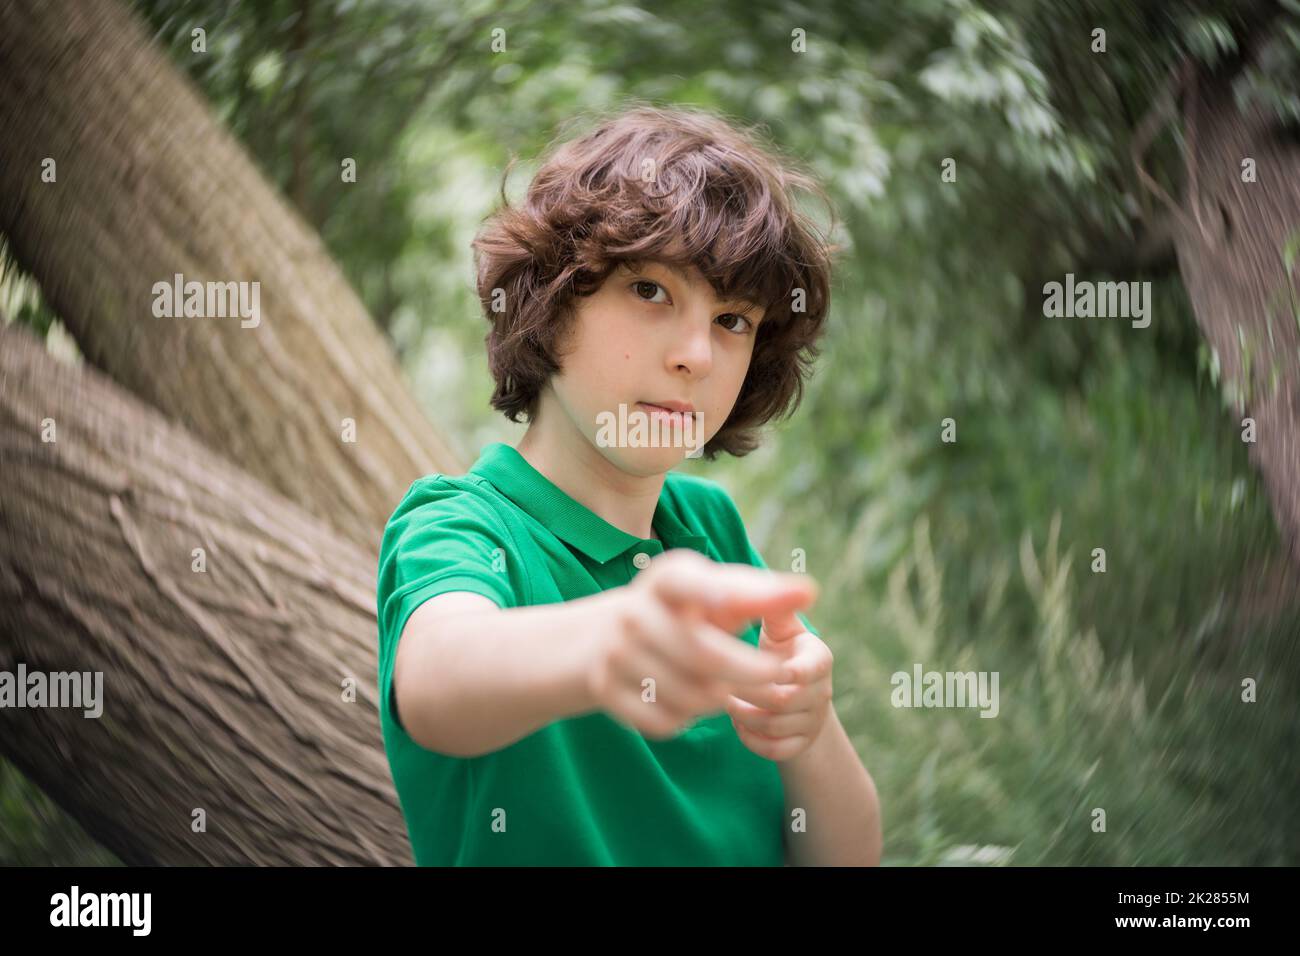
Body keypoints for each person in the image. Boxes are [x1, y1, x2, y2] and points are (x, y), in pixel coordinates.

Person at [376, 103, 881, 866]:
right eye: (650, 291)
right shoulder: (460, 525)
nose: (696, 356)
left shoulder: (712, 530)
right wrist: (607, 642)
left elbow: (848, 857)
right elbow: (438, 679)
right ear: (549, 302)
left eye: (733, 320)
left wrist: (810, 727)